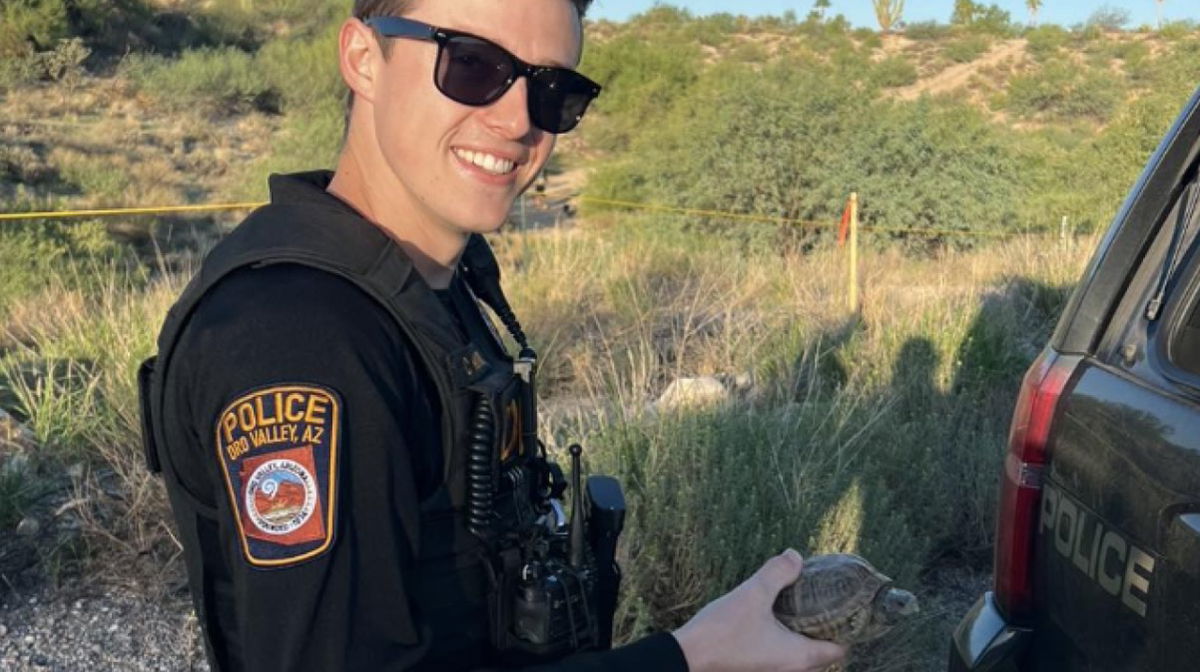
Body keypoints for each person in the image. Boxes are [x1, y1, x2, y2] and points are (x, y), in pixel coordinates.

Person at [138, 1, 848, 671]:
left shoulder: (429, 284)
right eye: (472, 65)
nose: (518, 122)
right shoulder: (300, 337)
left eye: (552, 92)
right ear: (362, 57)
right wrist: (690, 656)